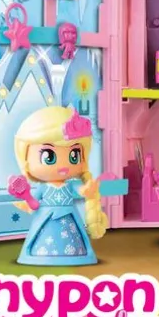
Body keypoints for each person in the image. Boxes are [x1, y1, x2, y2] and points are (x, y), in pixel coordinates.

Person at [12, 106, 106, 266]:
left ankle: (76, 253)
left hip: (69, 219)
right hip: (45, 220)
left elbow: (80, 191)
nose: (63, 165)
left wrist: (87, 191)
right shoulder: (43, 188)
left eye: (74, 155)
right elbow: (34, 205)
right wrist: (26, 196)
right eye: (49, 156)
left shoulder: (69, 186)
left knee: (75, 239)